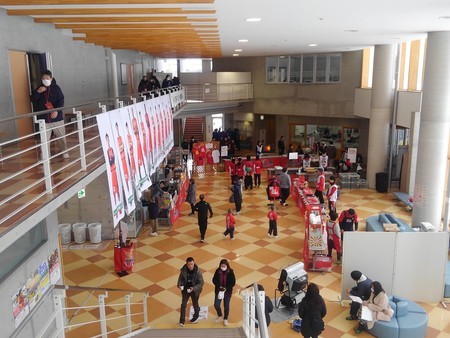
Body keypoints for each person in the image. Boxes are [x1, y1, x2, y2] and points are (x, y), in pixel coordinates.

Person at [30, 69, 68, 159]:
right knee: (44, 140)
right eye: (43, 78)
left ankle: (65, 152)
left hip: (56, 118)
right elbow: (32, 99)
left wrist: (56, 111)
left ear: (51, 78)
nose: (45, 80)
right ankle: (45, 156)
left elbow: (61, 101)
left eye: (47, 78)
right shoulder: (39, 88)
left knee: (61, 137)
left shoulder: (56, 88)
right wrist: (38, 92)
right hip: (44, 120)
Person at [177, 257, 204, 327]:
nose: (190, 266)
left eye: (192, 264)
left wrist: (194, 288)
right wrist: (180, 285)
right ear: (186, 264)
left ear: (193, 263)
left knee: (195, 304)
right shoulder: (183, 270)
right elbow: (180, 279)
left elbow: (201, 283)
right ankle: (182, 321)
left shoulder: (198, 271)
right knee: (183, 304)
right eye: (189, 264)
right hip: (186, 289)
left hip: (194, 290)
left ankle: (196, 316)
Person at [212, 259, 236, 326]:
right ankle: (219, 315)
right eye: (222, 266)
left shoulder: (230, 272)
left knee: (226, 305)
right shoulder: (217, 271)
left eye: (224, 266)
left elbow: (233, 282)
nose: (223, 267)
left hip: (227, 292)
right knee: (216, 304)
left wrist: (226, 288)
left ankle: (225, 318)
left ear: (227, 266)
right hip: (218, 291)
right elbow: (214, 280)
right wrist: (219, 286)